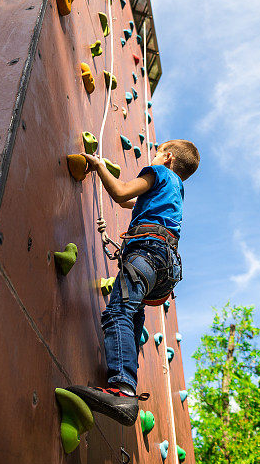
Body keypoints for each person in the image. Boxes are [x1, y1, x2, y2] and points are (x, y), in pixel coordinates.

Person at [66, 139, 200, 426]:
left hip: (146, 252)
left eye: (157, 151)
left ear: (167, 157)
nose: (152, 155)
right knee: (133, 314)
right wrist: (107, 178)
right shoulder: (176, 186)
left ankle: (122, 387)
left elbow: (121, 193)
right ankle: (125, 382)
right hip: (165, 265)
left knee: (118, 312)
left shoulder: (158, 171)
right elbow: (130, 200)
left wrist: (99, 165)